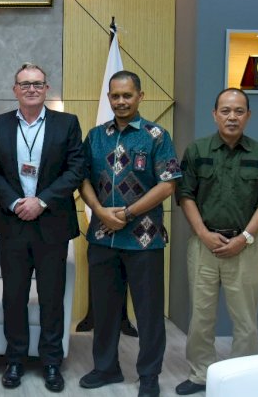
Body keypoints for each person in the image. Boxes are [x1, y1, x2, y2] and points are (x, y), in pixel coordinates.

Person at [78, 71, 181, 397]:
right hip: (102, 237)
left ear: (140, 96)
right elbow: (82, 179)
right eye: (115, 96)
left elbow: (168, 183)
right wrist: (99, 210)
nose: (121, 101)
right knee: (105, 311)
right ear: (109, 97)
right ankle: (106, 368)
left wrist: (128, 213)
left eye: (127, 95)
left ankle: (149, 376)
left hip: (144, 240)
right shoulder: (95, 136)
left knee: (149, 313)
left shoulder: (156, 135)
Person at [0, 63, 84, 392]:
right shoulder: (0, 125)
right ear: (14, 90)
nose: (31, 89)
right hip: (13, 223)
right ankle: (15, 360)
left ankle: (51, 362)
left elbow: (75, 169)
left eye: (37, 84)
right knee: (13, 296)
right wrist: (15, 202)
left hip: (51, 222)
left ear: (46, 89)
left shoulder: (66, 123)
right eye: (24, 84)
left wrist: (40, 201)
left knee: (52, 297)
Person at [175, 88, 258, 396]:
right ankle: (199, 375)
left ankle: (242, 379)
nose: (231, 117)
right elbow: (185, 195)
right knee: (201, 317)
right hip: (203, 245)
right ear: (214, 114)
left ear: (248, 115)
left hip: (245, 246)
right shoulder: (197, 150)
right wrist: (203, 234)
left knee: (245, 319)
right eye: (225, 110)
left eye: (238, 111)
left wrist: (245, 237)